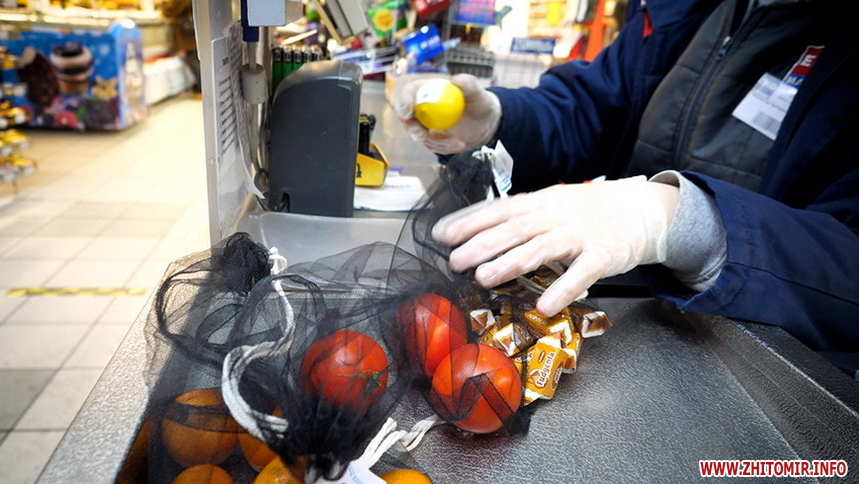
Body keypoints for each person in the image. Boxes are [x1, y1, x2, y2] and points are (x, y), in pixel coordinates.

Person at [395, 0, 859, 353]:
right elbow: (596, 108)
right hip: (633, 323)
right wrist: (500, 120)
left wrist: (679, 218)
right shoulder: (683, 9)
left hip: (771, 364)